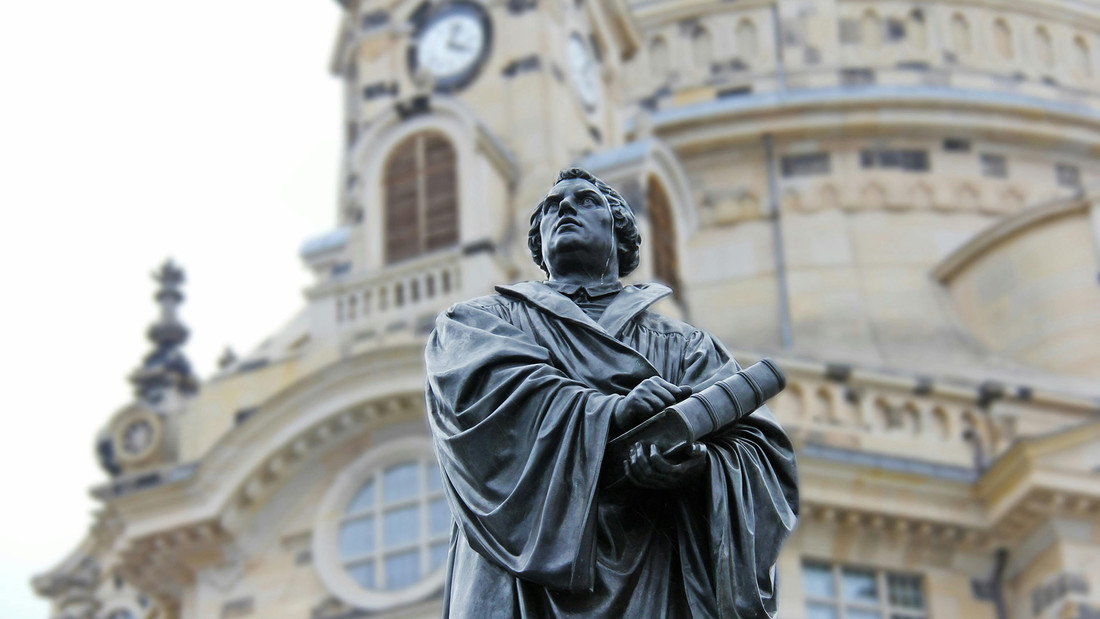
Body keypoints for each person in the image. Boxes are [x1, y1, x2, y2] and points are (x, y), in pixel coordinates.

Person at [425, 168, 799, 618]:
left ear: (620, 235)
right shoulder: (476, 323)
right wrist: (611, 412)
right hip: (517, 583)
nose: (563, 208)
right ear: (539, 243)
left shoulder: (686, 345)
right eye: (550, 206)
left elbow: (761, 454)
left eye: (586, 201)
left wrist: (698, 467)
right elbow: (486, 398)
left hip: (653, 572)